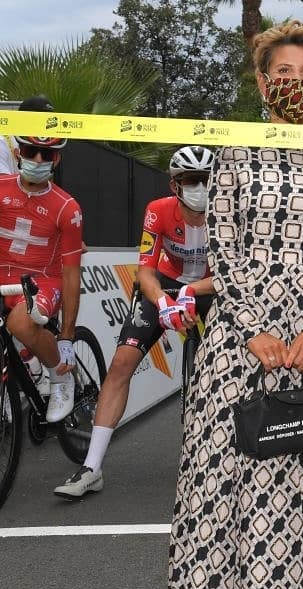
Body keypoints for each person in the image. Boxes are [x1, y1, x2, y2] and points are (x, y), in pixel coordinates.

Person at [166, 20, 303, 589]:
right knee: (233, 479)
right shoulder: (234, 149)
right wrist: (255, 328)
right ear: (261, 81)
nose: (296, 82)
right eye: (284, 72)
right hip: (240, 341)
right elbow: (222, 247)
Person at [53, 146, 215, 499]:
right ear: (175, 185)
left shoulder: (227, 212)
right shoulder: (158, 210)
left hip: (209, 286)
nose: (201, 187)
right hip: (164, 284)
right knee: (122, 363)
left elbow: (235, 273)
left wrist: (191, 291)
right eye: (192, 180)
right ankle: (91, 467)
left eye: (207, 179)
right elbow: (144, 271)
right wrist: (163, 301)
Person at [0, 95, 83, 426]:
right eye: (31, 151)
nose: (37, 159)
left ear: (56, 159)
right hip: (3, 276)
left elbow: (72, 275)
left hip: (40, 281)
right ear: (18, 152)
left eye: (46, 154)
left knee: (21, 323)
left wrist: (67, 336)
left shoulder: (68, 208)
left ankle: (60, 376)